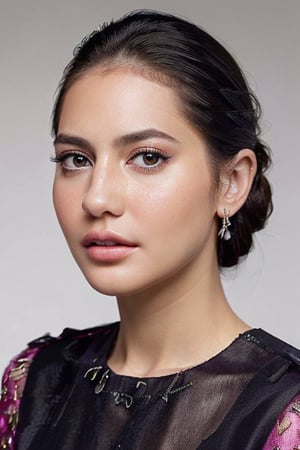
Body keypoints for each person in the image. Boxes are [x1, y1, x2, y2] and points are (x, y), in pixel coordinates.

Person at [1, 9, 300, 450]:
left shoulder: (283, 418)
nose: (96, 198)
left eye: (148, 157)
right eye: (76, 159)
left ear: (232, 182)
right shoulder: (33, 385)